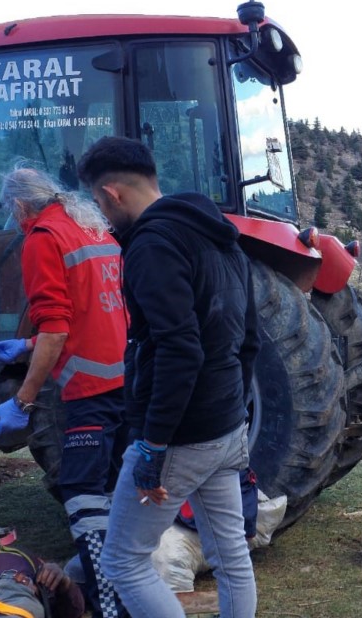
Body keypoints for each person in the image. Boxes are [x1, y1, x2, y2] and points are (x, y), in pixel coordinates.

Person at [77, 137, 259, 617]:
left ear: (113, 193)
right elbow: (249, 340)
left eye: (98, 201)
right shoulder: (222, 238)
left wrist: (154, 444)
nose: (101, 212)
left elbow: (180, 347)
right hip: (224, 427)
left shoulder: (152, 246)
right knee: (230, 556)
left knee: (123, 561)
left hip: (179, 435)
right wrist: (233, 411)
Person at [0, 166, 129, 618]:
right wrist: (27, 343)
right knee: (115, 488)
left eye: (13, 211)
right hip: (127, 379)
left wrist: (22, 400)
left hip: (89, 388)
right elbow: (94, 310)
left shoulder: (44, 237)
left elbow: (58, 328)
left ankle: (110, 605)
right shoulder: (91, 228)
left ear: (22, 205)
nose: (15, 219)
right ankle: (131, 587)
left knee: (82, 492)